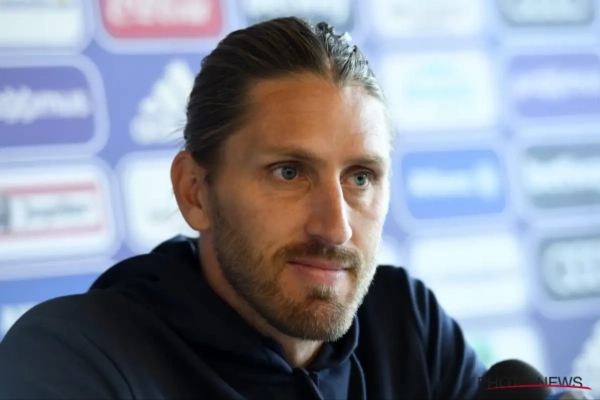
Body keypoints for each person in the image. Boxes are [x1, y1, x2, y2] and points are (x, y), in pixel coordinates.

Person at [0, 17, 487, 399]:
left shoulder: (407, 325)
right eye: (289, 172)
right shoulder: (75, 355)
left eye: (360, 178)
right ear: (195, 191)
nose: (335, 227)